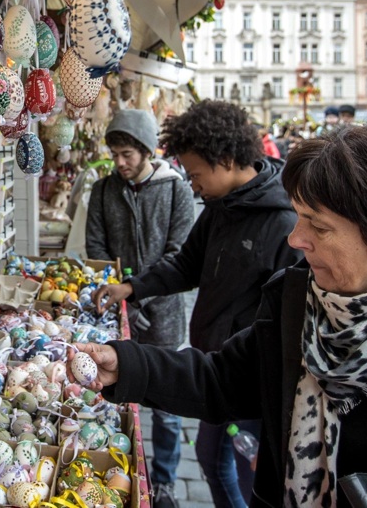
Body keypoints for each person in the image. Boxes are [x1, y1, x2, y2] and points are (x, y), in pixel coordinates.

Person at [78, 125, 367, 507]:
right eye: (299, 217)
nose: (296, 239)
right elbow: (224, 380)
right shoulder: (296, 301)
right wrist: (128, 365)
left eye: (317, 225)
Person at [95, 101, 301, 508]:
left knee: (252, 478)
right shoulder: (220, 209)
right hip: (217, 370)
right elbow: (187, 264)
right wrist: (132, 288)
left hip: (254, 384)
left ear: (224, 160)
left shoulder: (283, 224)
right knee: (210, 458)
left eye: (195, 174)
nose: (191, 185)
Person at [86, 108, 195, 508]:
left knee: (168, 399)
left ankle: (164, 480)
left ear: (147, 150)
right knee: (117, 390)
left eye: (128, 154)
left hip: (164, 314)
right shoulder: (103, 190)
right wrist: (117, 291)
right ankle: (115, 463)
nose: (120, 163)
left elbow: (179, 255)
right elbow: (95, 249)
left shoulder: (175, 190)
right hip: (117, 312)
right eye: (115, 154)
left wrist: (141, 293)